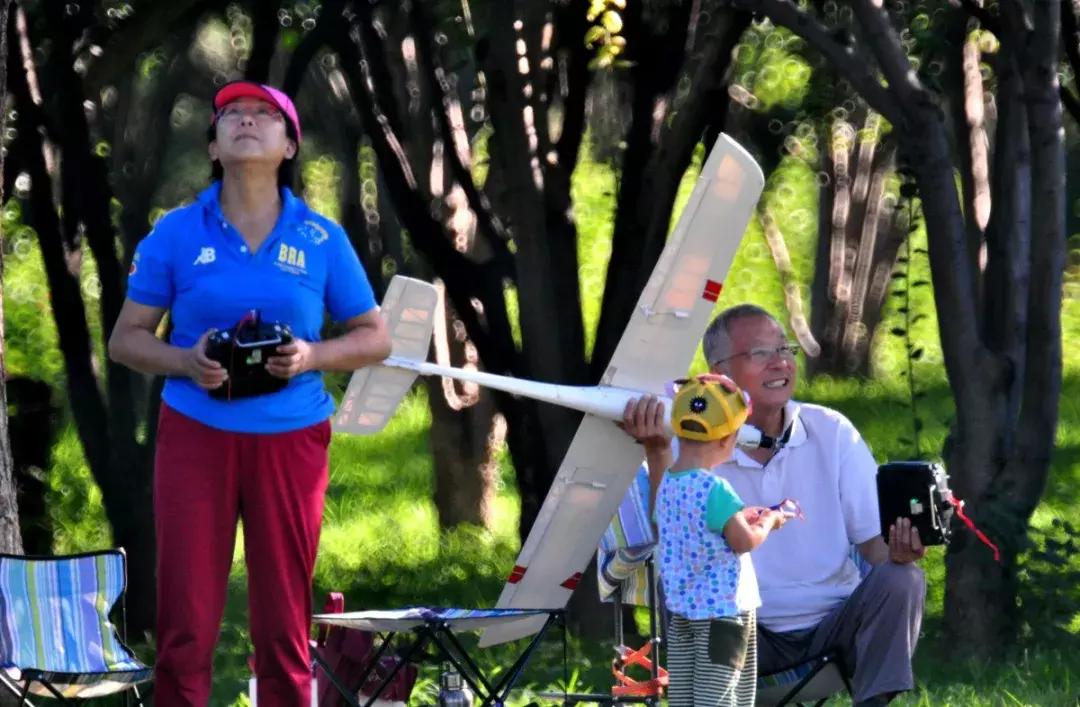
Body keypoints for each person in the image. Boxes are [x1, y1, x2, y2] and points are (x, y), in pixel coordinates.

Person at [108, 81, 392, 707]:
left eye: (265, 114)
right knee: (185, 625)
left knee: (284, 627)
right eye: (231, 113)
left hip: (292, 439)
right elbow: (125, 341)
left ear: (289, 144)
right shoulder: (177, 234)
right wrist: (187, 360)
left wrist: (313, 355)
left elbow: (376, 338)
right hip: (194, 437)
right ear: (212, 144)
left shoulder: (321, 238)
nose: (245, 120)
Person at [622, 304, 925, 707]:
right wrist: (657, 450)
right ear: (720, 374)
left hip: (833, 630)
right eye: (760, 353)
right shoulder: (689, 444)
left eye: (785, 349)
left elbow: (873, 545)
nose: (780, 361)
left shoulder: (830, 431)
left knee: (903, 577)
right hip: (736, 626)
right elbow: (668, 527)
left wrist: (900, 553)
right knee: (674, 580)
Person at [656, 373, 789, 707]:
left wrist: (737, 516)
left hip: (683, 615)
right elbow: (743, 542)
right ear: (725, 440)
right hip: (724, 616)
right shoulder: (717, 489)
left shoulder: (667, 484)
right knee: (720, 699)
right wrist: (769, 521)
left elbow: (688, 527)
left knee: (685, 699)